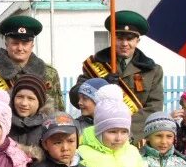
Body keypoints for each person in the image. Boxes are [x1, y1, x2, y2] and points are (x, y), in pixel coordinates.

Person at [70, 11, 165, 143]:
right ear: (111, 38)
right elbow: (76, 97)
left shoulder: (152, 70)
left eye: (130, 38)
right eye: (119, 38)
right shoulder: (95, 64)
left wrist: (123, 130)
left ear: (137, 41)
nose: (124, 43)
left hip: (133, 138)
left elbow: (154, 108)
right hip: (99, 134)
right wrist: (101, 84)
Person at [0, 15, 62, 110]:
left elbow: (58, 112)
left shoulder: (50, 73)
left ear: (32, 45)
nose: (20, 48)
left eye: (25, 43)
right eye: (15, 43)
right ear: (6, 44)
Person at [7, 74, 55, 151]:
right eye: (20, 97)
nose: (24, 103)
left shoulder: (50, 126)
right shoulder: (1, 122)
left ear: (40, 102)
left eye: (31, 98)